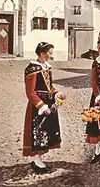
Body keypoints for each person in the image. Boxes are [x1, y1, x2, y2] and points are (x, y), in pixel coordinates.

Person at [23, 42, 62, 173]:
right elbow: (30, 92)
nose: (51, 56)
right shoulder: (32, 69)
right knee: (38, 132)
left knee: (46, 131)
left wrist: (57, 93)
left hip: (48, 102)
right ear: (42, 53)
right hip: (38, 105)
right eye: (49, 53)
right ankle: (37, 161)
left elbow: (49, 86)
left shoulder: (46, 67)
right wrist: (41, 105)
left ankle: (38, 160)